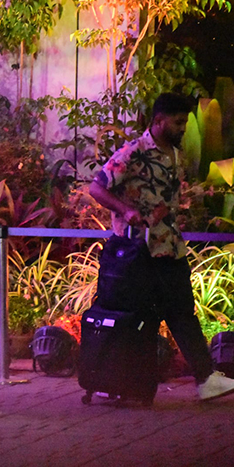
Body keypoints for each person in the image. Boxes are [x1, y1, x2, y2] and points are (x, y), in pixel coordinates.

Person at [89, 92, 234, 401]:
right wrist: (125, 210)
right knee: (138, 319)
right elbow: (96, 187)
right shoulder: (134, 152)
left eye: (185, 121)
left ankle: (204, 379)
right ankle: (128, 384)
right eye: (178, 122)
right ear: (158, 121)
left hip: (169, 248)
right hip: (136, 251)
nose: (184, 127)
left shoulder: (176, 154)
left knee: (182, 313)